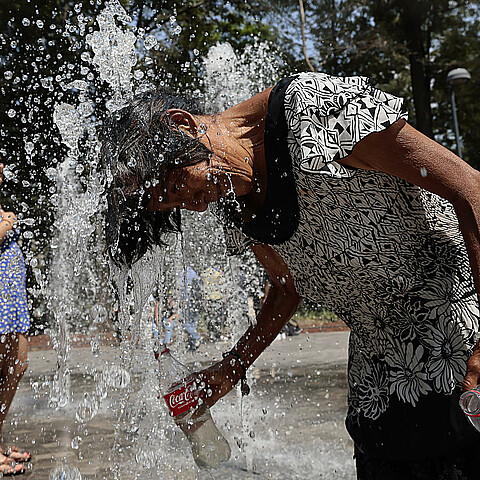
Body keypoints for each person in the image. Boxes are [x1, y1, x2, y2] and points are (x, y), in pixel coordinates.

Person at [101, 72, 480, 478]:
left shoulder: (312, 108)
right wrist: (230, 369)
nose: (194, 207)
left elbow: (470, 188)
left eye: (180, 184)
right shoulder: (235, 203)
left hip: (462, 349)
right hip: (379, 387)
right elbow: (286, 288)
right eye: (176, 204)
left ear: (184, 124)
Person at [0, 163, 31, 476]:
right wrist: (6, 224)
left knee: (17, 366)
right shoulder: (5, 217)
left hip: (12, 306)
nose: (2, 166)